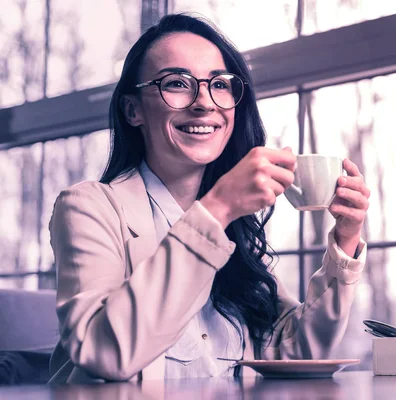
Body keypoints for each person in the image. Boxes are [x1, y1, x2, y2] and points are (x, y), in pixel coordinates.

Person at [47, 14, 370, 383]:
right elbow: (103, 352)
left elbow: (293, 351)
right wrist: (218, 208)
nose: (204, 102)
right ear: (132, 110)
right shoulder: (87, 207)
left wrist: (345, 242)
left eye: (219, 84)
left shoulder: (238, 232)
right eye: (177, 84)